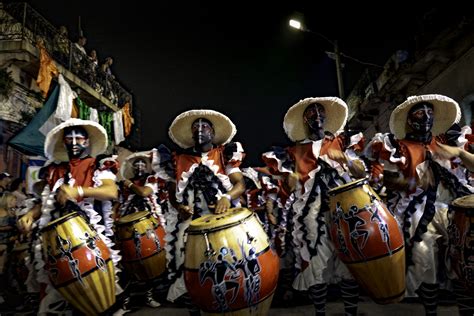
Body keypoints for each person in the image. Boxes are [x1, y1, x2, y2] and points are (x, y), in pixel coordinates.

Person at [365, 94, 474, 315]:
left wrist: (460, 153)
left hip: (455, 203)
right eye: (420, 113)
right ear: (409, 120)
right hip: (418, 206)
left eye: (430, 113)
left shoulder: (448, 140)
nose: (426, 117)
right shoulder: (397, 146)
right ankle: (430, 309)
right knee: (424, 254)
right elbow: (381, 179)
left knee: (465, 255)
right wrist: (409, 181)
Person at [261, 97, 366, 316]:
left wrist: (345, 159)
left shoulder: (341, 141)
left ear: (326, 117)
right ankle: (320, 312)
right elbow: (288, 185)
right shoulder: (293, 153)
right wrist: (291, 178)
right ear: (305, 121)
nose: (316, 115)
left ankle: (351, 313)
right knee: (316, 263)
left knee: (348, 261)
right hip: (311, 214)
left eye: (320, 111)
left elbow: (361, 173)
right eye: (311, 113)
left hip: (346, 209)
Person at [17, 118, 122, 314]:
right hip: (57, 242)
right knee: (56, 297)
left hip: (90, 240)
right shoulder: (55, 170)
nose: (74, 142)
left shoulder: (98, 165)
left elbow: (111, 191)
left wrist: (79, 191)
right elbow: (46, 201)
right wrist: (30, 215)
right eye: (69, 139)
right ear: (63, 142)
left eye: (79, 138)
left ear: (87, 141)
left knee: (98, 297)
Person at [153, 109, 246, 315]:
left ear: (213, 132)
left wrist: (226, 197)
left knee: (227, 271)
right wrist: (179, 208)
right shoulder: (178, 159)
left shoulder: (224, 154)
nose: (200, 130)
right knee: (186, 270)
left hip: (221, 222)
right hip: (189, 226)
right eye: (196, 127)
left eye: (205, 126)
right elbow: (171, 193)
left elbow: (240, 184)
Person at [117, 151, 163, 311]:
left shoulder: (151, 179)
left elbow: (144, 192)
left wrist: (128, 184)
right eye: (136, 164)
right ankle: (126, 298)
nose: (139, 166)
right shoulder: (124, 185)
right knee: (130, 262)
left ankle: (149, 295)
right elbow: (119, 203)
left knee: (148, 260)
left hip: (148, 225)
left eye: (143, 163)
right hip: (127, 228)